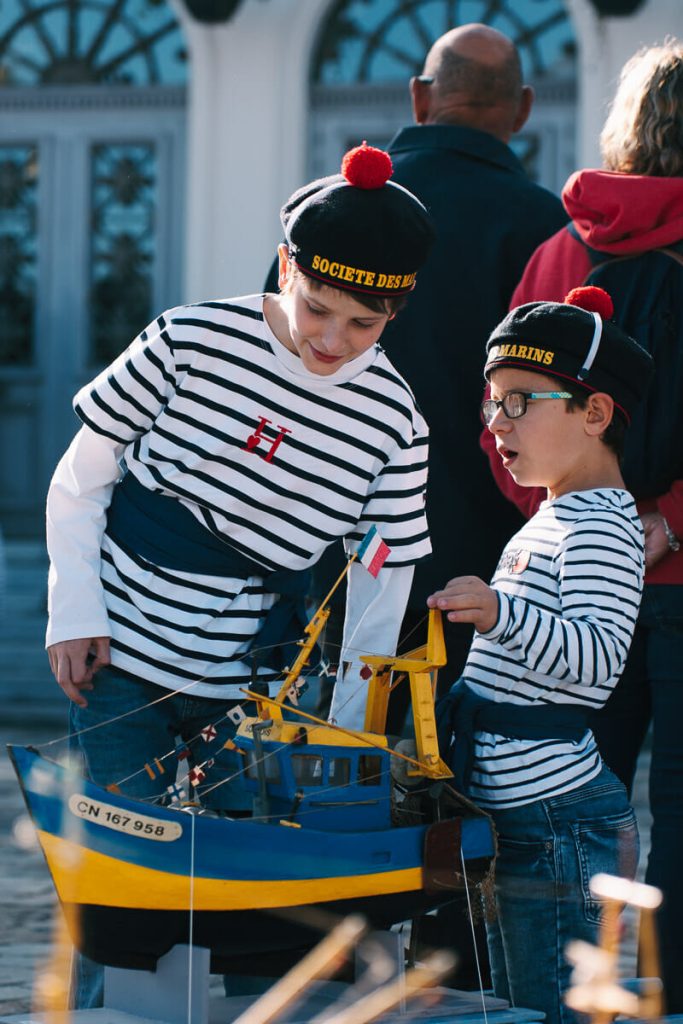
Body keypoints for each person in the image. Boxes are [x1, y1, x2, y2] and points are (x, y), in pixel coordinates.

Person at [45, 141, 435, 1006]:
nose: (330, 341)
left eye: (361, 325)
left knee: (255, 893)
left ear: (397, 312)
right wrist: (72, 611)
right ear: (287, 264)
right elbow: (84, 473)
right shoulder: (188, 338)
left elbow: (382, 574)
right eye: (316, 307)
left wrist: (345, 719)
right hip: (121, 651)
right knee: (115, 877)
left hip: (257, 680)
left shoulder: (396, 421)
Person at [480, 40, 683, 1014]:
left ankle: (559, 997)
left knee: (560, 802)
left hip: (565, 577)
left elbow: (505, 421)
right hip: (679, 581)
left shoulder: (561, 250)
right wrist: (665, 524)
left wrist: (575, 516)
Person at [431, 287, 653, 1024]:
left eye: (520, 401)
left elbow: (593, 663)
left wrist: (499, 613)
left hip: (556, 821)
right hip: (521, 815)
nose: (496, 421)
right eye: (492, 402)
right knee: (518, 1003)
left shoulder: (598, 527)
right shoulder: (554, 515)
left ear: (593, 413)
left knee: (551, 1009)